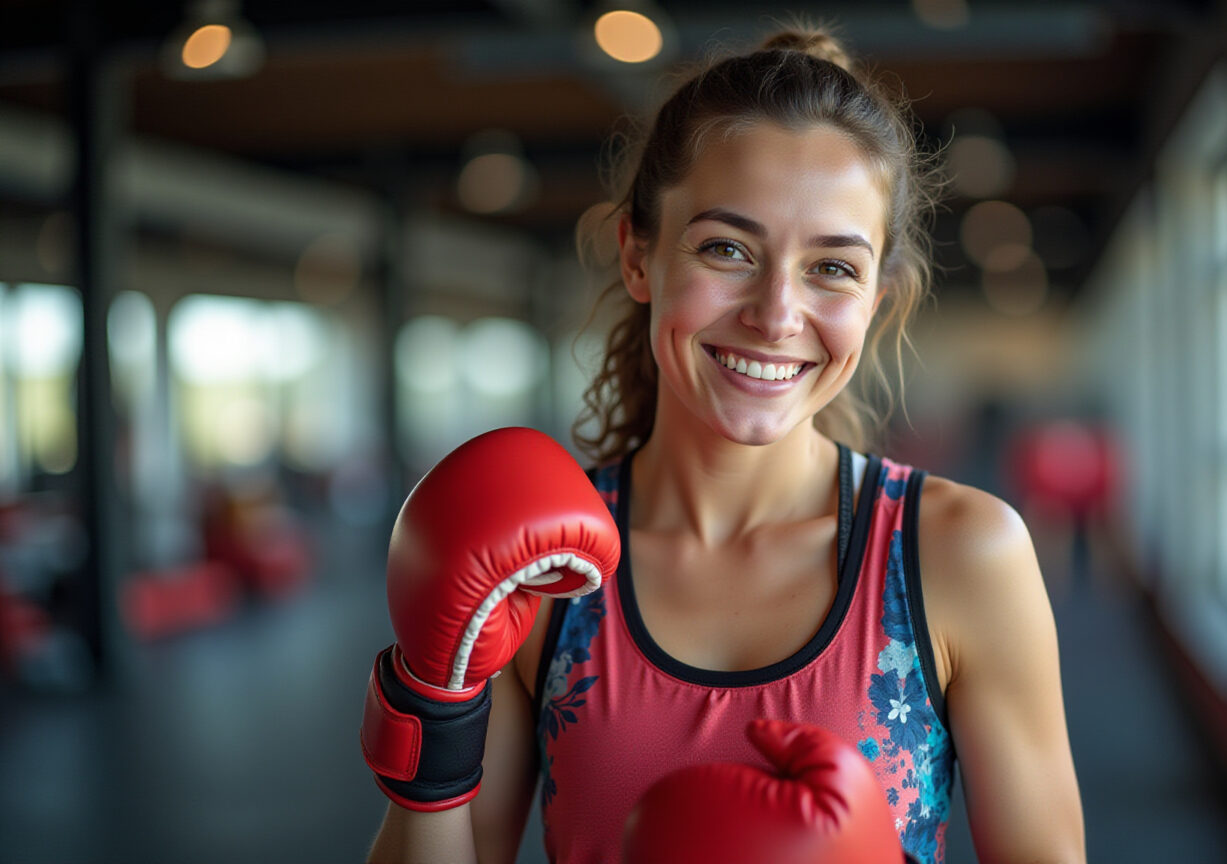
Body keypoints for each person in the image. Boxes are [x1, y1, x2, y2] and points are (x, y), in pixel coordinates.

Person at [366, 25, 1084, 864]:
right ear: (638, 256)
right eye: (726, 249)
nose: (777, 313)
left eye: (832, 267)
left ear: (879, 300)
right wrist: (433, 704)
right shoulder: (547, 575)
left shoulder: (959, 557)